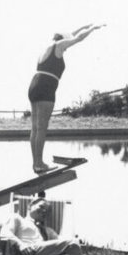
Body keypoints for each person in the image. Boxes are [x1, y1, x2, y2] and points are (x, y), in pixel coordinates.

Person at [28, 23, 106, 173]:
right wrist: (92, 29)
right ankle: (39, 164)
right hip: (46, 87)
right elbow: (77, 38)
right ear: (62, 40)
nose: (66, 48)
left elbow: (72, 33)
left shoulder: (47, 47)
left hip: (34, 85)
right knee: (42, 127)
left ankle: (36, 163)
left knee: (35, 128)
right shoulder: (59, 45)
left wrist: (87, 24)